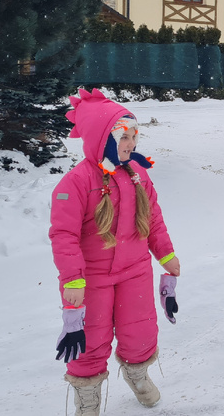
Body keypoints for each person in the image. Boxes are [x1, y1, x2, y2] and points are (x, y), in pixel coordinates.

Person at [49, 88, 180, 416]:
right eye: (124, 136)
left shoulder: (138, 174)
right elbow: (64, 237)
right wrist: (73, 282)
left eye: (134, 135)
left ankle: (137, 375)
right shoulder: (75, 184)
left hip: (135, 270)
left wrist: (165, 256)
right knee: (90, 340)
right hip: (92, 277)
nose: (131, 144)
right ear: (100, 138)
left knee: (141, 329)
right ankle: (88, 396)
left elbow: (154, 219)